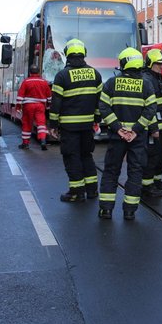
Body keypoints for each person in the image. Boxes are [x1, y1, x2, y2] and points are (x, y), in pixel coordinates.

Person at [97, 47, 156, 220]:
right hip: (137, 138)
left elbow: (103, 107)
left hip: (117, 136)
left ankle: (106, 210)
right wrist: (136, 130)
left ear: (124, 63)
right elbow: (151, 109)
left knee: (111, 171)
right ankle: (130, 211)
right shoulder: (147, 84)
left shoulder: (111, 83)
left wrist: (118, 128)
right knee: (135, 172)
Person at [49, 39, 104, 202]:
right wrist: (96, 119)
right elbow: (98, 101)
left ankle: (76, 192)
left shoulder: (62, 76)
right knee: (86, 155)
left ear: (67, 54)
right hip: (87, 125)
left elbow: (56, 102)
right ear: (84, 54)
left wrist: (52, 124)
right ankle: (92, 190)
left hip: (68, 126)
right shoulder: (95, 74)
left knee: (72, 157)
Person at [141, 48, 162, 198]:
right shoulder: (147, 79)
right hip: (153, 127)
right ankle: (147, 186)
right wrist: (153, 127)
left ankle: (157, 181)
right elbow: (148, 106)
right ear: (151, 63)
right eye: (159, 64)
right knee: (152, 156)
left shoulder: (157, 78)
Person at [17, 67, 51, 150]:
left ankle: (25, 144)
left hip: (28, 106)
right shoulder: (44, 82)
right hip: (40, 106)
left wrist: (18, 106)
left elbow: (20, 96)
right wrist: (48, 106)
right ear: (39, 72)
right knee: (41, 124)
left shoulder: (26, 82)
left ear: (30, 72)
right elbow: (49, 96)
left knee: (27, 124)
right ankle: (43, 140)